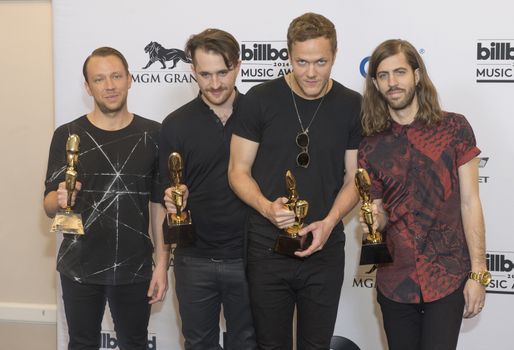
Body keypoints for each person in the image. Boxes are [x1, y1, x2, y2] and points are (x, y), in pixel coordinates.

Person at [228, 13, 362, 350]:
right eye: (302, 62)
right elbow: (237, 171)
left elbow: (356, 177)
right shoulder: (259, 100)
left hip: (324, 248)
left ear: (335, 55)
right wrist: (267, 208)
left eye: (321, 61)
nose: (312, 72)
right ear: (288, 55)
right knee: (270, 345)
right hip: (267, 247)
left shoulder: (351, 105)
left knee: (315, 345)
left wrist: (330, 222)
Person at [358, 39, 488, 350]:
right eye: (384, 75)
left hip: (447, 276)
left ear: (417, 75)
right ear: (375, 83)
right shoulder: (371, 145)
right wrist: (374, 220)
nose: (393, 82)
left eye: (400, 72)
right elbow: (380, 211)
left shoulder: (454, 128)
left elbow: (471, 203)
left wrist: (479, 272)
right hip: (395, 282)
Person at [44, 47, 169, 350]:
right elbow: (48, 205)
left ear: (130, 79)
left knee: (135, 343)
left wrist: (163, 264)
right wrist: (60, 199)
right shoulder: (68, 134)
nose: (109, 86)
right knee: (81, 343)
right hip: (79, 264)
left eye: (116, 76)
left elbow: (158, 206)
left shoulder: (154, 134)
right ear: (88, 87)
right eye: (99, 79)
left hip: (135, 264)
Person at [159, 29, 257, 350]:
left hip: (251, 257)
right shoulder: (175, 123)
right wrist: (173, 200)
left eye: (222, 73)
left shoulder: (261, 116)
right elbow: (165, 192)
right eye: (205, 74)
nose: (215, 84)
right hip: (193, 260)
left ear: (238, 67)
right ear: (193, 72)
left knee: (250, 343)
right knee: (198, 344)